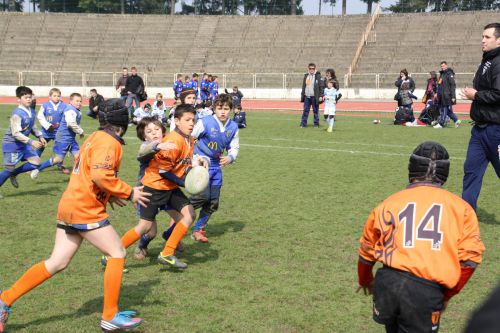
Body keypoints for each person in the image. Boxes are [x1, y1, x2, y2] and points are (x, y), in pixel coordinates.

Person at [0, 98, 151, 332]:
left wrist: (109, 196)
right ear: (123, 120)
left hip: (70, 204)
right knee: (117, 252)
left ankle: (4, 300)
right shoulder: (110, 142)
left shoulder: (94, 136)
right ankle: (110, 315)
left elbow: (89, 173)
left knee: (57, 262)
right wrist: (129, 192)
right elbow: (101, 176)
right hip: (85, 208)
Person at [357, 141, 485, 333]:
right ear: (445, 172)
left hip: (388, 283)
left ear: (412, 168)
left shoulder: (389, 203)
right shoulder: (462, 209)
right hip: (424, 291)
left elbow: (367, 251)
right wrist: (447, 295)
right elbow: (470, 260)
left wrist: (365, 280)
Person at [135, 104, 201, 269]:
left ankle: (169, 245)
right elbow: (145, 153)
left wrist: (198, 164)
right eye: (149, 132)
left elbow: (181, 162)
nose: (154, 134)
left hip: (168, 188)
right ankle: (141, 245)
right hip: (148, 191)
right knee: (149, 231)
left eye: (157, 130)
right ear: (144, 136)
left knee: (186, 217)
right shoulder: (148, 146)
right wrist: (156, 146)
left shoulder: (170, 142)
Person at [461, 22, 500, 211]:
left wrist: (475, 95)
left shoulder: (499, 62)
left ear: (499, 40)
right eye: (482, 36)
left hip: (496, 130)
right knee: (471, 171)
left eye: (487, 37)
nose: (482, 40)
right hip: (479, 130)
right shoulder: (487, 60)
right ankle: (467, 215)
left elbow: (499, 94)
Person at [190, 94, 240, 243]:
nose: (223, 111)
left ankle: (198, 229)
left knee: (213, 202)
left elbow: (234, 146)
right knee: (200, 198)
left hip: (216, 166)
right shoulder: (205, 122)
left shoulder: (233, 126)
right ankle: (177, 220)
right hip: (201, 163)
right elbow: (190, 137)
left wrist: (231, 157)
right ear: (214, 108)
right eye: (220, 108)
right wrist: (195, 157)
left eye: (226, 109)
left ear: (231, 109)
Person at [0, 86, 46, 193]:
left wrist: (40, 136)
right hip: (11, 144)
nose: (29, 99)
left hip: (23, 144)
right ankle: (11, 173)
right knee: (8, 170)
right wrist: (31, 141)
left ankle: (14, 174)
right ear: (19, 99)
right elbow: (15, 133)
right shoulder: (17, 114)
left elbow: (32, 126)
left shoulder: (32, 111)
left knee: (36, 162)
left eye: (30, 97)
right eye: (26, 97)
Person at [30, 93, 85, 179]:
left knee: (79, 157)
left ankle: (79, 176)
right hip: (63, 139)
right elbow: (71, 124)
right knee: (58, 159)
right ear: (71, 101)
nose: (79, 103)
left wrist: (79, 130)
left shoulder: (75, 110)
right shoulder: (70, 110)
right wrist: (81, 132)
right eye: (77, 101)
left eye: (80, 101)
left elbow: (75, 123)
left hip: (70, 139)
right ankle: (37, 169)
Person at [36, 87, 69, 174]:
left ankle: (60, 164)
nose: (57, 97)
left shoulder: (64, 106)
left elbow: (67, 117)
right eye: (54, 96)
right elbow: (40, 116)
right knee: (40, 147)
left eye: (58, 96)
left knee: (60, 149)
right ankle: (33, 165)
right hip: (46, 132)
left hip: (58, 132)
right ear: (49, 97)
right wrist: (47, 125)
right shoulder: (45, 105)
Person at [434, 61, 461, 128]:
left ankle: (441, 124)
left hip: (446, 96)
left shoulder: (449, 74)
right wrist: (437, 93)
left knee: (444, 109)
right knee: (448, 111)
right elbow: (440, 85)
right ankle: (456, 120)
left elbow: (452, 85)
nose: (442, 67)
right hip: (441, 96)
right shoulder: (442, 74)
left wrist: (453, 96)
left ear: (446, 65)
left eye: (443, 66)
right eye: (441, 66)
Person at [300, 63, 324, 128]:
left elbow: (321, 86)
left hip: (314, 97)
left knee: (315, 111)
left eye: (313, 68)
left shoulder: (318, 76)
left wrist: (321, 96)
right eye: (310, 68)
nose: (311, 70)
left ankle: (316, 124)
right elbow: (303, 86)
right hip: (307, 97)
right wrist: (303, 94)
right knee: (305, 111)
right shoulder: (306, 76)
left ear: (315, 69)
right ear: (308, 69)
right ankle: (303, 124)